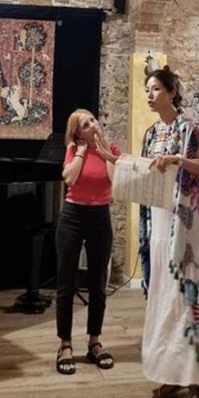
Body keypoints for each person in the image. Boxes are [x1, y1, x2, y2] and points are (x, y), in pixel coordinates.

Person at [140, 67, 199, 398]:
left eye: (156, 89)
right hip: (160, 225)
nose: (149, 95)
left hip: (188, 228)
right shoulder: (150, 134)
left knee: (192, 304)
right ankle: (173, 375)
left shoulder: (189, 129)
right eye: (147, 89)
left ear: (172, 92)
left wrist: (178, 160)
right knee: (166, 301)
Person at [55, 109, 121, 375]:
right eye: (86, 124)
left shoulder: (111, 148)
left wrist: (104, 151)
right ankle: (65, 344)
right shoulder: (73, 149)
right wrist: (81, 152)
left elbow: (115, 181)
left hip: (100, 215)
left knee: (98, 283)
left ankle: (94, 341)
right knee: (66, 283)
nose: (93, 125)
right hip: (73, 214)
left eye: (93, 120)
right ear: (77, 133)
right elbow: (69, 178)